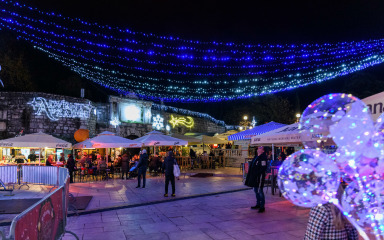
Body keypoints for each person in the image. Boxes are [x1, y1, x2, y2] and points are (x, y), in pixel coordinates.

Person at [245, 146, 268, 213]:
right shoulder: (256, 157)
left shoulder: (263, 158)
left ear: (263, 151)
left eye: (260, 148)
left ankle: (262, 206)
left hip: (259, 177)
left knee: (260, 190)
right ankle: (258, 204)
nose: (258, 149)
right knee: (255, 190)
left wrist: (257, 173)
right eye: (258, 148)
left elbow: (263, 168)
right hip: (254, 177)